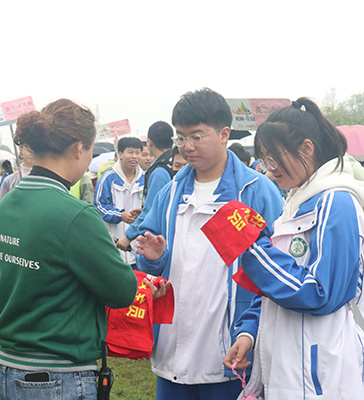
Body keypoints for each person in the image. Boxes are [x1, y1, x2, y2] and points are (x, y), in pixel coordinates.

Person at [135, 88, 284, 400]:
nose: (187, 147)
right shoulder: (171, 193)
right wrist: (153, 259)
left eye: (197, 136)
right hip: (173, 347)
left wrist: (251, 329)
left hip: (231, 349)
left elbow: (278, 270)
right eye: (181, 137)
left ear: (224, 134)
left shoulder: (255, 192)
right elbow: (152, 262)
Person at [221, 98, 364, 400]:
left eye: (274, 159)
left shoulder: (335, 202)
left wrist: (253, 247)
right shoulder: (297, 202)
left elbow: (320, 292)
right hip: (292, 365)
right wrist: (249, 332)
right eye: (264, 160)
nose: (269, 170)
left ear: (307, 148)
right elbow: (273, 289)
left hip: (321, 373)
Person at [0, 98, 138, 400]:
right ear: (77, 149)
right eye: (90, 151)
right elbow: (122, 292)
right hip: (55, 376)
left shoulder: (10, 203)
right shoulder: (76, 215)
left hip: (7, 367)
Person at [116, 121, 175, 252]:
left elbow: (152, 210)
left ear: (149, 142)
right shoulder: (175, 162)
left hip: (161, 241)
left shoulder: (159, 170)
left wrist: (128, 237)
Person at [95, 136, 145, 266]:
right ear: (120, 154)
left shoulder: (145, 178)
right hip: (114, 245)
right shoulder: (108, 178)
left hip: (138, 248)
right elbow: (100, 207)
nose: (134, 156)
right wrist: (120, 215)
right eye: (130, 152)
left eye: (138, 152)